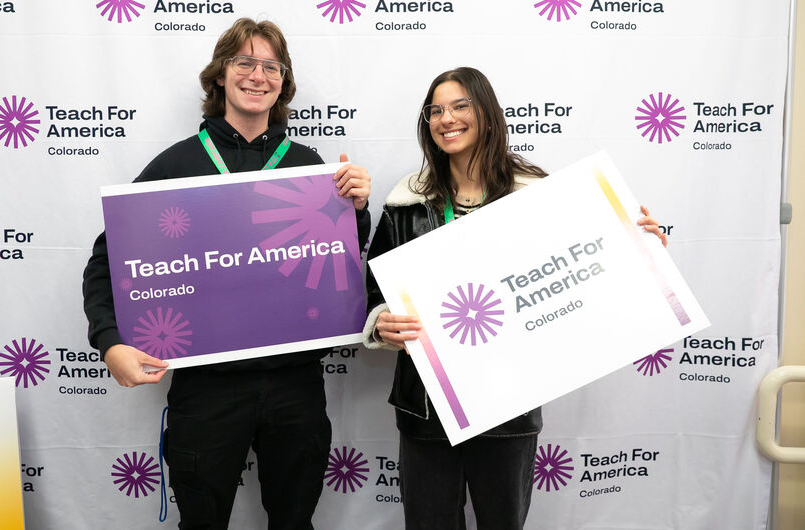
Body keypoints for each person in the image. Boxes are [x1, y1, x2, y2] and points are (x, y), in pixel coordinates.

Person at [82, 18, 371, 530]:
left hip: (294, 384)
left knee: (294, 521)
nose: (257, 75)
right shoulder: (175, 167)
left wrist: (356, 209)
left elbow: (338, 263)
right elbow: (108, 263)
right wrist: (109, 343)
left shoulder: (309, 168)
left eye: (271, 66)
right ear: (220, 75)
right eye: (244, 62)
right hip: (207, 389)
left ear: (283, 82)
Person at [361, 67, 667, 530]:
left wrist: (640, 249)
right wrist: (383, 322)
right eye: (436, 110)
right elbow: (374, 294)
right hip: (427, 404)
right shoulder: (406, 201)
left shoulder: (538, 195)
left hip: (509, 401)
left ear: (486, 113)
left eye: (460, 105)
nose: (447, 118)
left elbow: (586, 272)